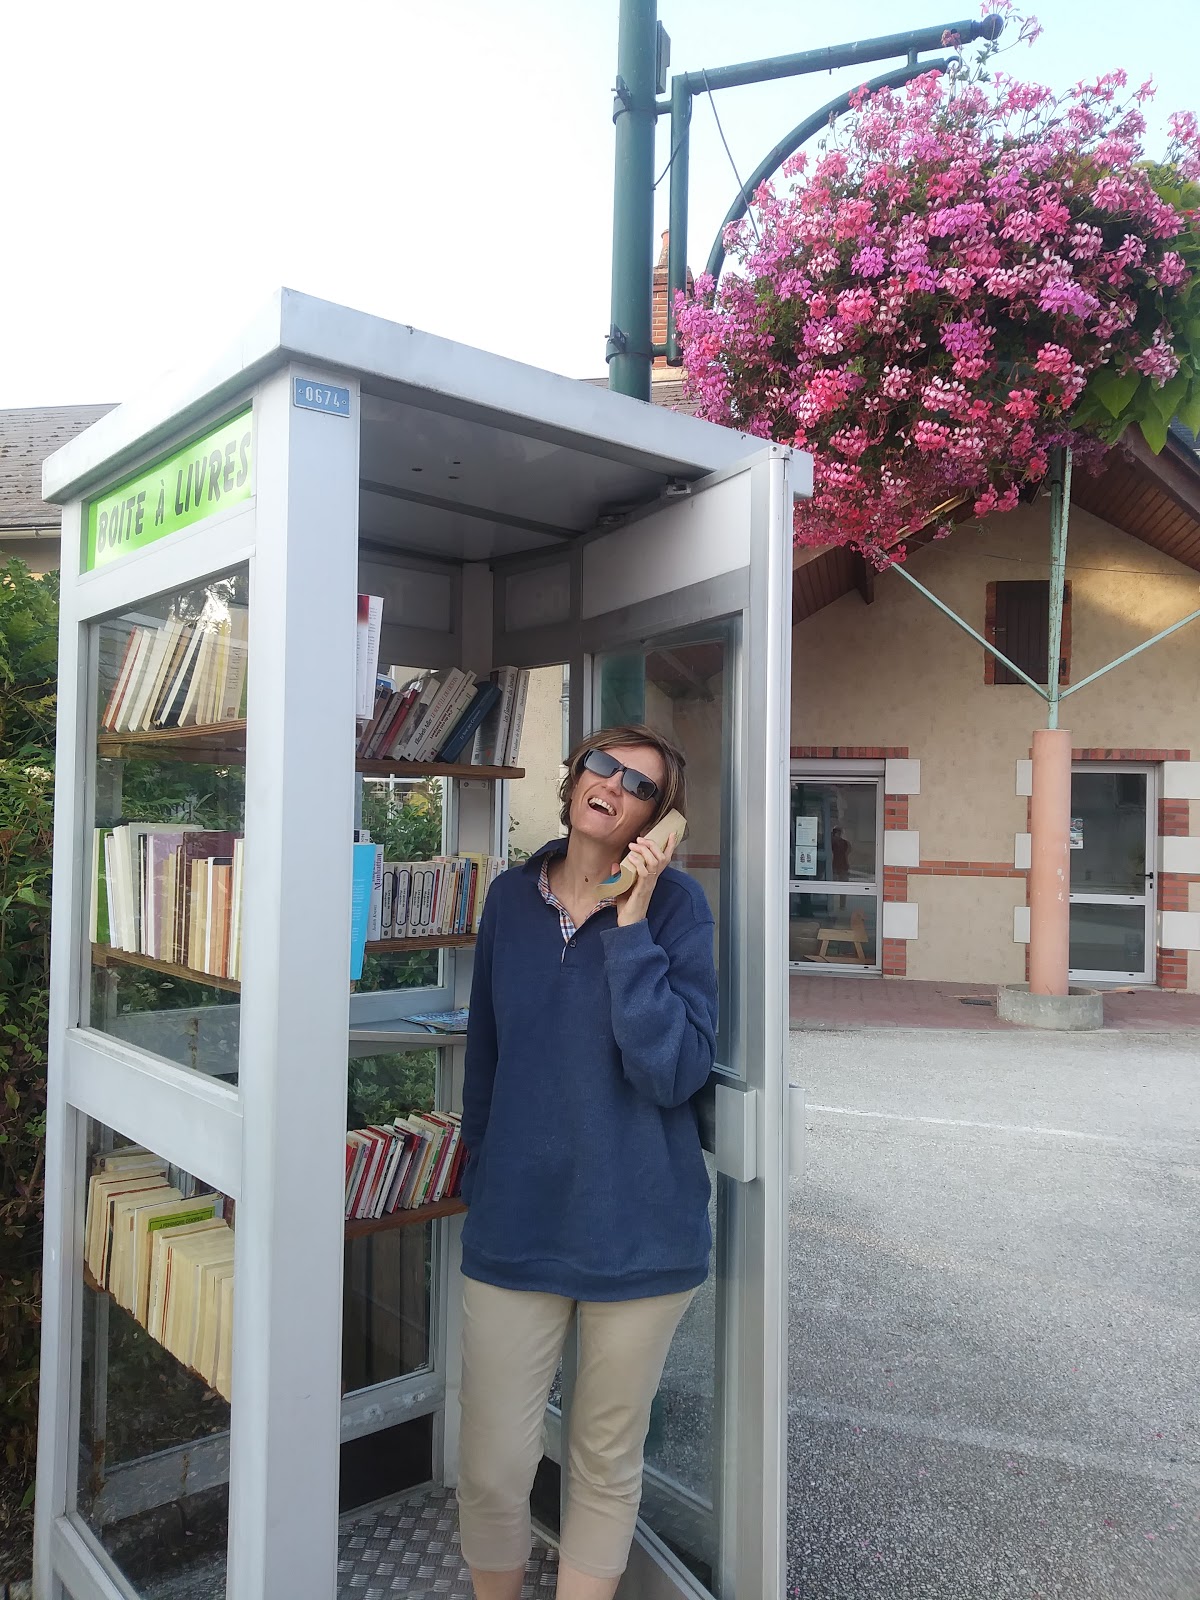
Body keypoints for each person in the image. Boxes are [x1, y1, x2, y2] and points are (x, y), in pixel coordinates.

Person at [456, 724, 718, 1600]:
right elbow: (485, 1056)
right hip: (517, 1224)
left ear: (656, 819)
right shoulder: (506, 900)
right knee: (493, 1462)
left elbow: (671, 1071)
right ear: (574, 782)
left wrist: (632, 920)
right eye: (601, 766)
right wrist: (484, 1173)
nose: (612, 783)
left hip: (639, 1231)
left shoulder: (678, 911)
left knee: (603, 1461)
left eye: (639, 784)